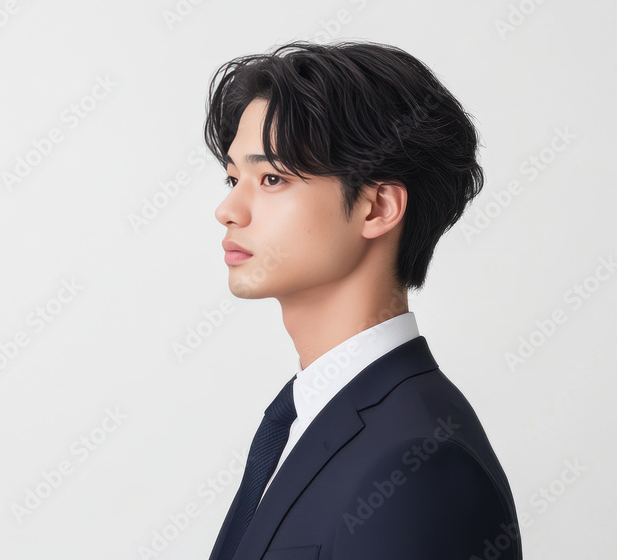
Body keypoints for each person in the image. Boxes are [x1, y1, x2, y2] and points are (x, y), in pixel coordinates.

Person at [204, 40, 521, 559]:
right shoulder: (300, 418)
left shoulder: (421, 464)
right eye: (233, 177)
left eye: (272, 178)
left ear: (376, 208)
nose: (228, 209)